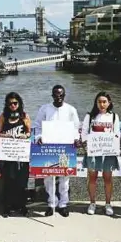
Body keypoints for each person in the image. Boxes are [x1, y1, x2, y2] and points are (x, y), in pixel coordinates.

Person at [32, 85, 80, 217]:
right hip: (49, 147)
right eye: (56, 95)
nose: (58, 97)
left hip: (65, 149)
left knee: (65, 178)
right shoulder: (45, 109)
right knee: (48, 178)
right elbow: (37, 126)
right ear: (52, 95)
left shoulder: (71, 110)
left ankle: (63, 204)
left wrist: (76, 139)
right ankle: (52, 203)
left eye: (61, 95)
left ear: (64, 96)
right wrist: (39, 137)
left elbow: (76, 128)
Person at [81, 92, 120, 216]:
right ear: (96, 103)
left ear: (109, 103)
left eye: (104, 102)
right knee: (92, 178)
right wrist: (87, 146)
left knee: (108, 178)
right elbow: (84, 134)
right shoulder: (90, 116)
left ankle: (108, 204)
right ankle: (92, 203)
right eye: (99, 102)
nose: (102, 104)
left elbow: (117, 134)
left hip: (108, 153)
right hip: (93, 152)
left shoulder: (114, 117)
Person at [0, 92, 31, 217]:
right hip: (7, 154)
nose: (13, 105)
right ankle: (7, 206)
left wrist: (22, 136)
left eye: (15, 103)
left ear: (19, 103)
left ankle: (21, 206)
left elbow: (29, 133)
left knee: (22, 182)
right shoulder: (3, 116)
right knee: (8, 181)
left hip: (21, 155)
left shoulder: (24, 116)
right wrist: (8, 135)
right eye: (10, 103)